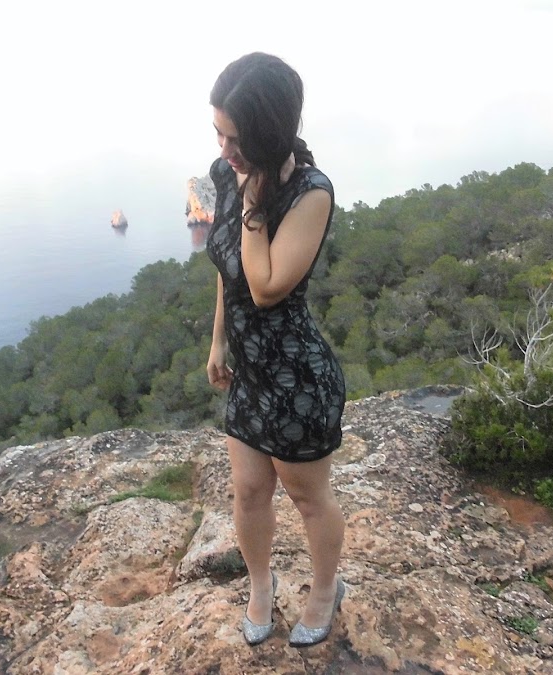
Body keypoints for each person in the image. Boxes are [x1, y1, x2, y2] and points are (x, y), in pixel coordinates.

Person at [205, 52, 347, 648]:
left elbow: (264, 287)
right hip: (251, 374)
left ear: (269, 131)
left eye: (236, 139)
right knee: (248, 491)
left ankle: (326, 589)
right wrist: (218, 338)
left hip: (296, 380)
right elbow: (228, 267)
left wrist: (254, 203)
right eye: (218, 133)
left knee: (308, 498)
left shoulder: (310, 193)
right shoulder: (225, 175)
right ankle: (261, 584)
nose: (225, 150)